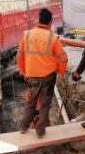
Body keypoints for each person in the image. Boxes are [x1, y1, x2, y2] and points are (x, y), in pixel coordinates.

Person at [16, 8, 68, 138]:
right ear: (50, 22)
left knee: (31, 102)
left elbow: (20, 56)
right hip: (48, 77)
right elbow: (63, 58)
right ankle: (40, 130)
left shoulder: (27, 35)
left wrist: (23, 71)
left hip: (31, 76)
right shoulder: (53, 38)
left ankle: (23, 126)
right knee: (45, 103)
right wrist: (60, 71)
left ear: (39, 20)